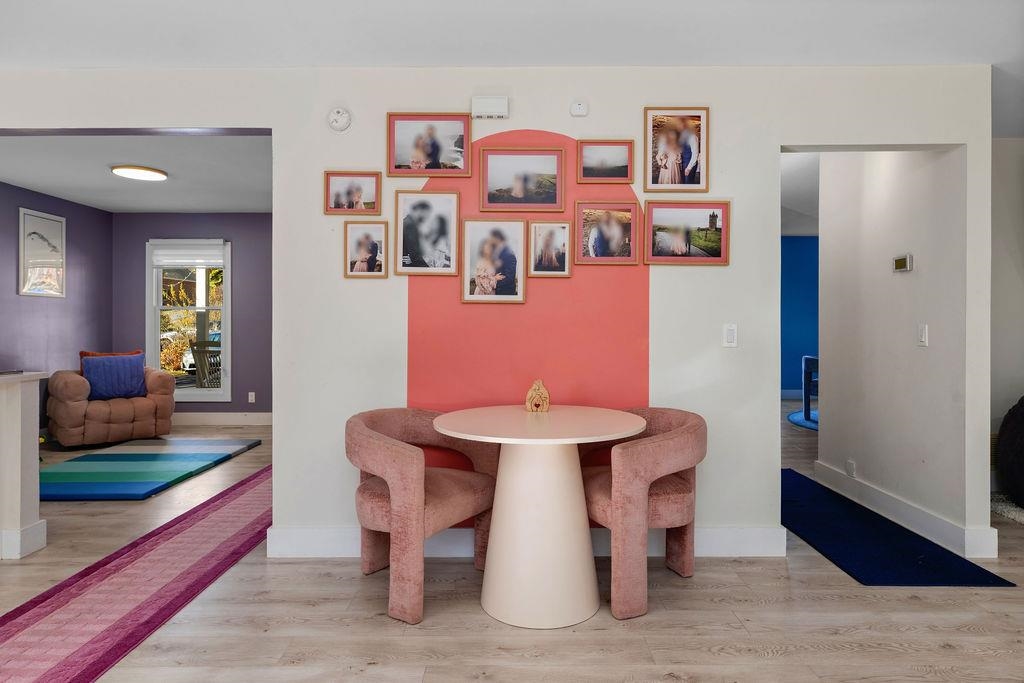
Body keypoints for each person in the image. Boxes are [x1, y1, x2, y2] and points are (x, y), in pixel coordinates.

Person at [401, 201, 431, 268]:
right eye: (426, 214)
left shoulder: (406, 221)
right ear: (419, 210)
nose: (425, 218)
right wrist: (428, 269)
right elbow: (414, 254)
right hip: (409, 266)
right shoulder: (410, 225)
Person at [491, 229, 517, 295]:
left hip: (505, 292)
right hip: (496, 291)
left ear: (498, 238)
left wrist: (492, 283)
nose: (491, 241)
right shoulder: (495, 251)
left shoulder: (509, 254)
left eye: (492, 238)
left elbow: (510, 278)